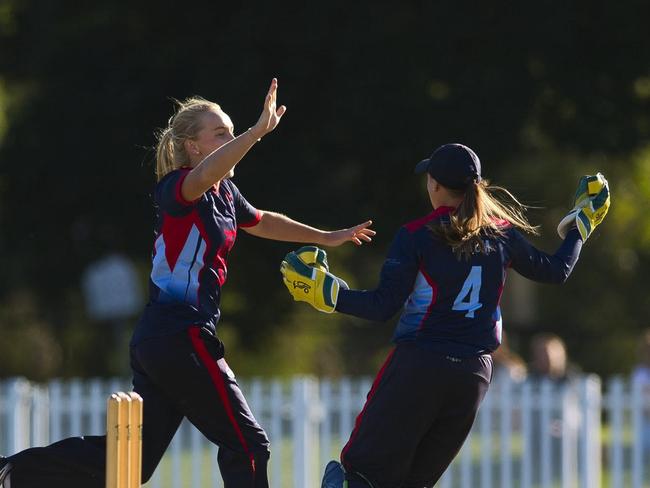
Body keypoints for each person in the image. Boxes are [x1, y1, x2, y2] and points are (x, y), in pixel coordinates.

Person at [0, 78, 376, 488]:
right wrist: (255, 132)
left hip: (163, 339)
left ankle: (11, 470)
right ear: (193, 147)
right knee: (250, 447)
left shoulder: (226, 192)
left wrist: (325, 236)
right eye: (221, 133)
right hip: (178, 333)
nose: (232, 139)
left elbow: (262, 220)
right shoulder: (176, 188)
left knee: (131, 461)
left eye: (233, 131)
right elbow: (202, 179)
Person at [280, 143, 610, 488]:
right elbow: (557, 270)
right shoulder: (503, 234)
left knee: (356, 476)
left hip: (419, 366)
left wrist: (326, 294)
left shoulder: (415, 235)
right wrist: (581, 222)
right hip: (473, 375)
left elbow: (382, 307)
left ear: (435, 185)